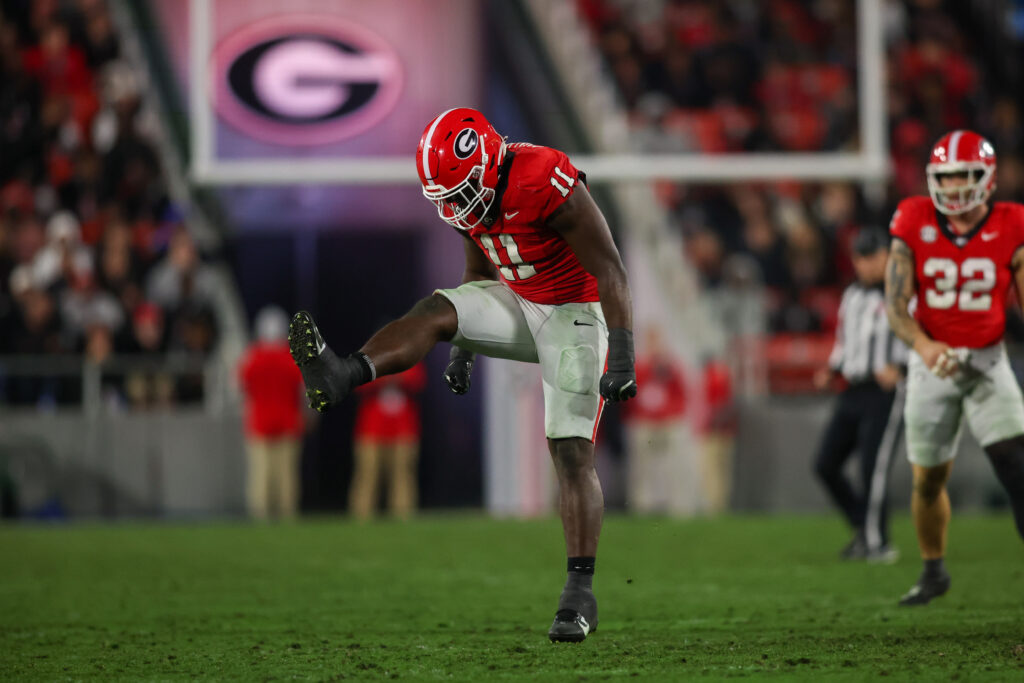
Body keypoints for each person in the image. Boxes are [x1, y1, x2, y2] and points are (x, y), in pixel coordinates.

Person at [288, 108, 637, 642]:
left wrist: (623, 355)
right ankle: (343, 373)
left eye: (461, 190)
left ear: (489, 160)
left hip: (577, 311)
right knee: (433, 309)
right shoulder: (468, 201)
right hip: (521, 302)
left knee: (569, 449)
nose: (455, 206)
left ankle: (578, 593)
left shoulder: (544, 177)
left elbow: (610, 266)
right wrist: (463, 346)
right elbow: (476, 276)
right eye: (447, 196)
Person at [885, 130, 1024, 606]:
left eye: (964, 175)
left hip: (987, 362)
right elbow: (896, 303)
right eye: (945, 177)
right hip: (932, 364)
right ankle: (933, 571)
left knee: (1018, 466)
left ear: (987, 178)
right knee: (928, 479)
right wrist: (923, 347)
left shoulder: (1013, 222)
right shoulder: (913, 217)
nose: (954, 187)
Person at [812, 228, 906, 563]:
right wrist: (833, 369)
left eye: (873, 256)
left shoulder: (904, 293)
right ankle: (863, 528)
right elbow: (845, 342)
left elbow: (924, 337)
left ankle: (878, 543)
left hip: (885, 393)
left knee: (872, 468)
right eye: (861, 257)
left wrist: (902, 367)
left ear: (886, 256)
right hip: (852, 389)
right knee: (825, 464)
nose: (867, 264)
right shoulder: (851, 295)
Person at [239, 306, 305, 520]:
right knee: (286, 477)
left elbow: (241, 387)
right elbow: (304, 391)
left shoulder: (252, 358)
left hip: (259, 423)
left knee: (260, 476)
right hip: (287, 422)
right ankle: (287, 516)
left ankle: (260, 517)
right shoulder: (291, 358)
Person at [621, 325, 690, 515]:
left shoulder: (670, 367)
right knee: (642, 466)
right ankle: (642, 505)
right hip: (645, 422)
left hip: (667, 422)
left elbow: (681, 394)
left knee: (673, 465)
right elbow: (631, 396)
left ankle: (678, 505)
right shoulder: (639, 367)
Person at [349, 363, 426, 520]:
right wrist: (385, 378)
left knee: (403, 475)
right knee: (367, 474)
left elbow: (418, 381)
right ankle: (361, 516)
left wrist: (393, 376)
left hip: (404, 428)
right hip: (371, 428)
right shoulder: (371, 354)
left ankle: (403, 515)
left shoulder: (409, 355)